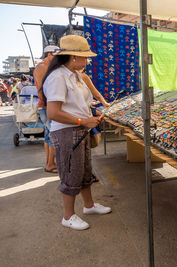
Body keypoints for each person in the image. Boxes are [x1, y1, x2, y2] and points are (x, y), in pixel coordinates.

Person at [42, 35, 111, 230]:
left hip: (80, 129)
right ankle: (68, 216)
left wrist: (93, 113)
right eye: (85, 57)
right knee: (71, 172)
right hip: (67, 132)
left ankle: (88, 206)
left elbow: (78, 104)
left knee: (84, 171)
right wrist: (83, 120)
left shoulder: (76, 75)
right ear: (73, 57)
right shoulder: (58, 77)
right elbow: (53, 112)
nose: (87, 61)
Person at [34, 45, 59, 173]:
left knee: (48, 137)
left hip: (44, 106)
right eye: (56, 54)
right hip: (46, 106)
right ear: (49, 54)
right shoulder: (42, 67)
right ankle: (50, 164)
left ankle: (49, 163)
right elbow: (43, 90)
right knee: (54, 136)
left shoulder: (43, 67)